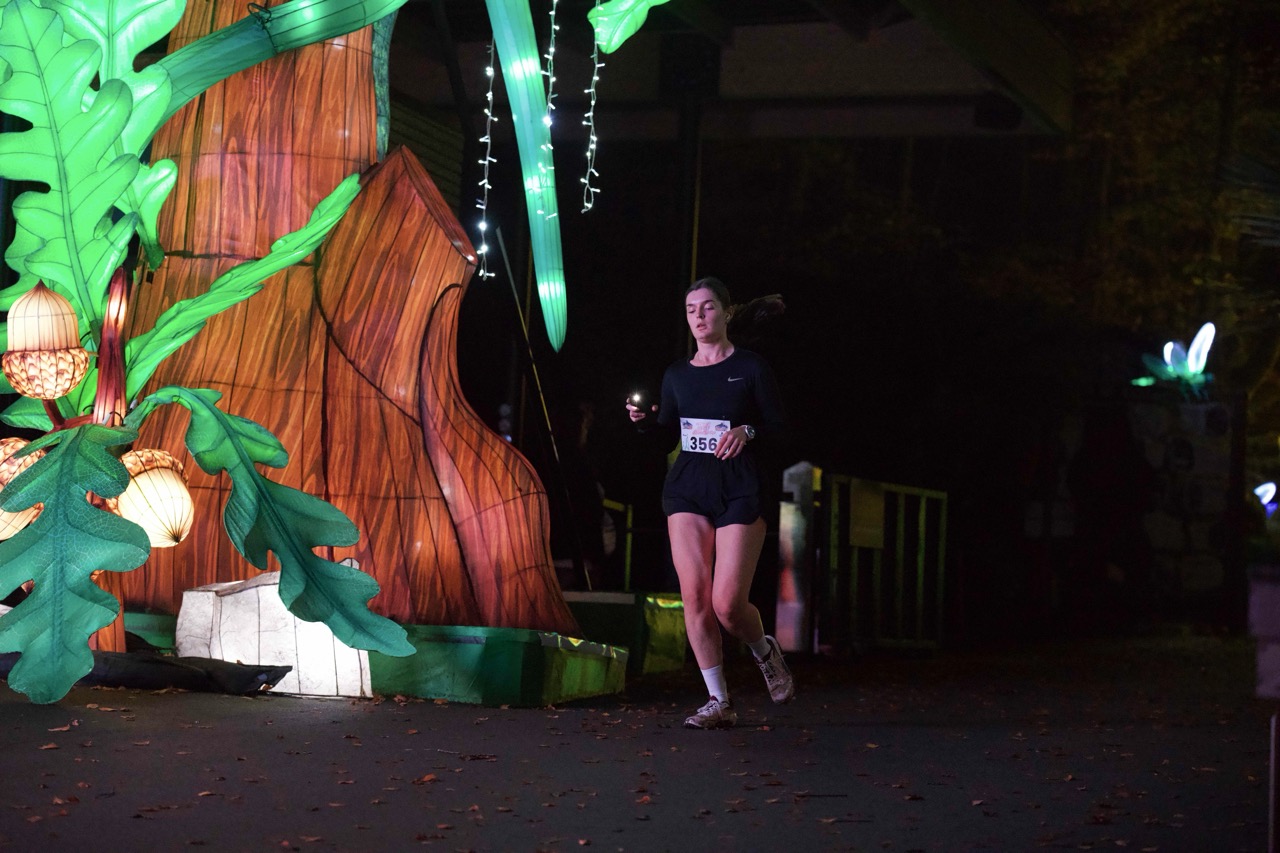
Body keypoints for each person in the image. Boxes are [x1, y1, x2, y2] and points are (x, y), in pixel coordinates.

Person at [627, 277, 793, 729]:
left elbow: (780, 430)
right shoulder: (677, 375)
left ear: (726, 313)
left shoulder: (751, 367)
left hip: (740, 487)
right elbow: (666, 438)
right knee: (695, 597)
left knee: (727, 604)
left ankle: (764, 650)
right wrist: (644, 423)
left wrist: (748, 431)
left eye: (707, 307)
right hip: (688, 488)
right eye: (691, 310)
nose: (699, 316)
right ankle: (719, 701)